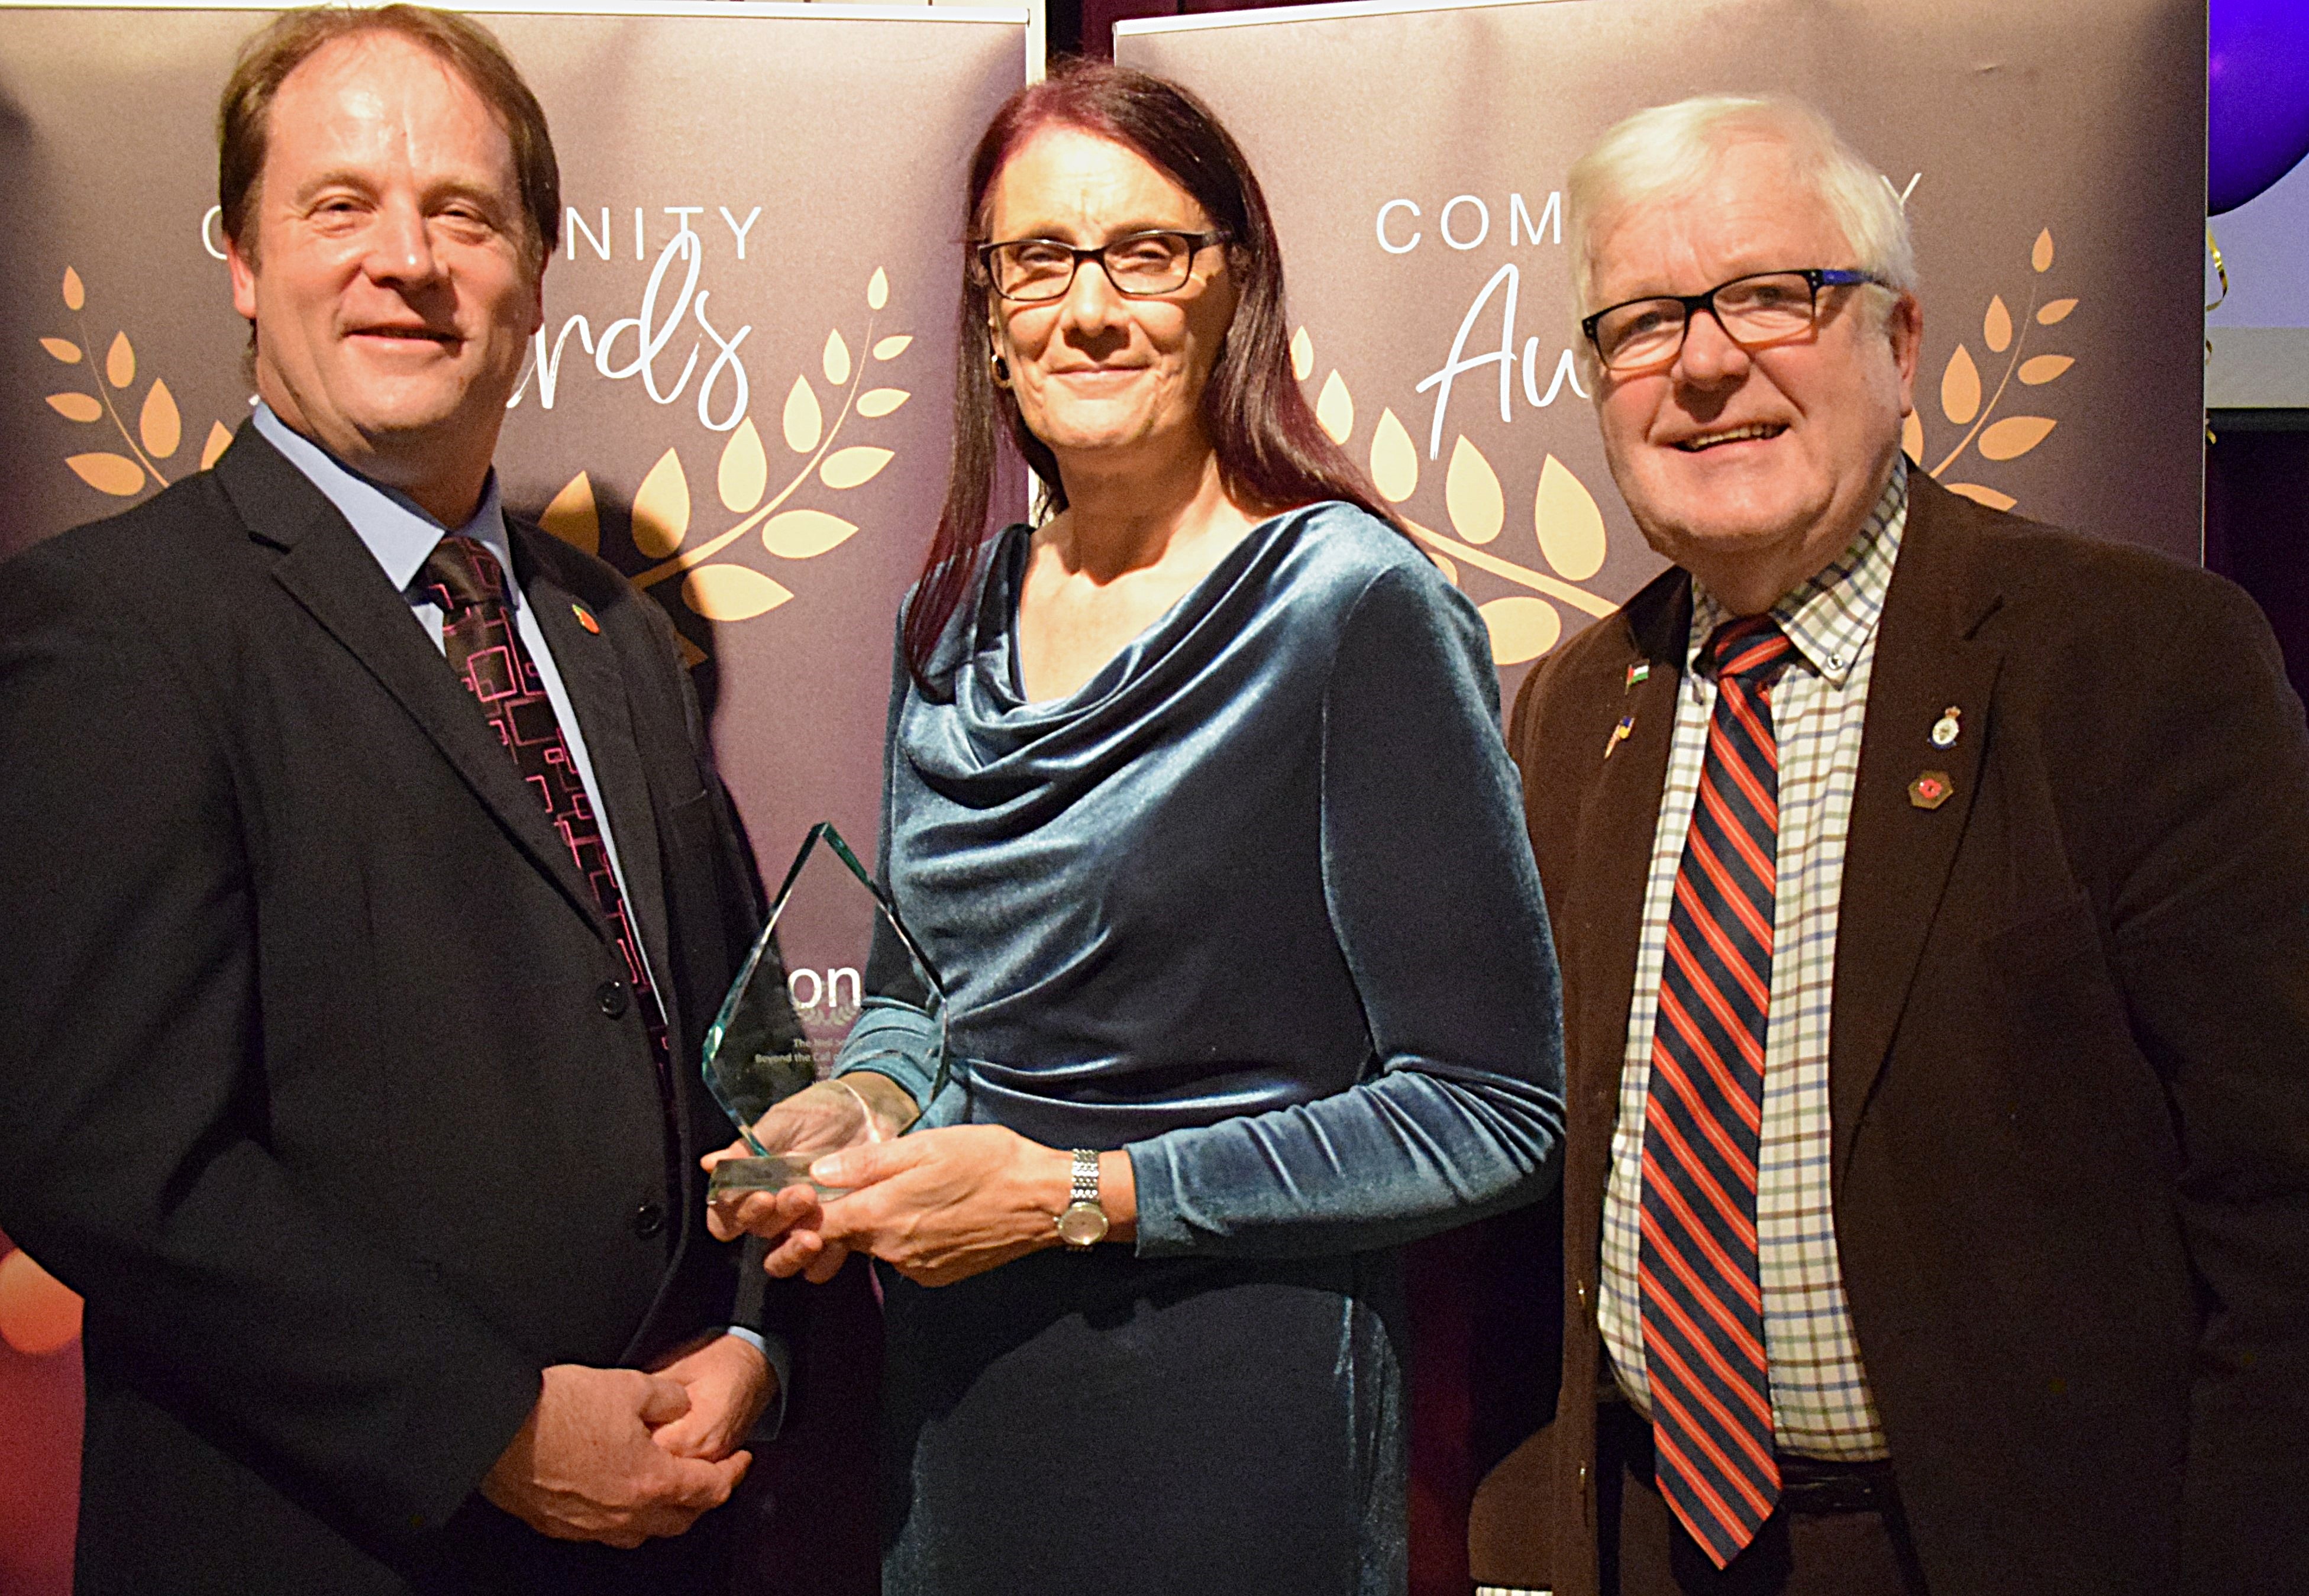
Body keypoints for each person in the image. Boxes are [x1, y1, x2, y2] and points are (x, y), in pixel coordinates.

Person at [709, 62, 1566, 1596]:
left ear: (1235, 283)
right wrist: (872, 1111)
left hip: (1241, 1457)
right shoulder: (949, 620)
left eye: (1145, 252)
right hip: (963, 1435)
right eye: (1038, 258)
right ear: (987, 309)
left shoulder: (1350, 609)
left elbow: (1491, 1109)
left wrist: (1071, 1193)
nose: (1087, 307)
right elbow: (925, 1001)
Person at [1470, 95, 2309, 1596]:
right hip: (1650, 1541)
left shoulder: (2134, 662)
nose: (1708, 362)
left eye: (1771, 295)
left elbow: (2280, 1203)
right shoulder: (1569, 708)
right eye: (1644, 322)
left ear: (1901, 342)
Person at [0, 8, 786, 1592]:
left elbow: (733, 1055)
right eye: (340, 204)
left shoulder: (618, 635)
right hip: (324, 1541)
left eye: (465, 215)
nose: (407, 259)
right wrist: (490, 1426)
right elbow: (104, 1157)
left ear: (538, 269)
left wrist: (765, 1335)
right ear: (241, 258)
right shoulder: (116, 628)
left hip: (673, 1531)